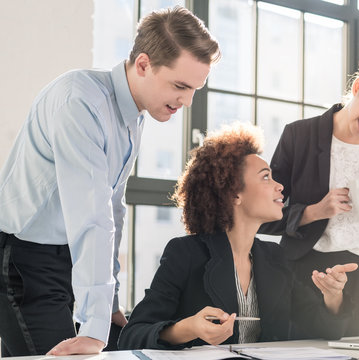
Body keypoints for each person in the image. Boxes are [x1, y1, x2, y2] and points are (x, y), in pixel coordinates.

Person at [0, 6, 220, 357]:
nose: (187, 101)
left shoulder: (135, 113)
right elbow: (91, 214)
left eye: (195, 89)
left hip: (65, 257)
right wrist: (94, 324)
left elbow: (113, 207)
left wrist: (110, 302)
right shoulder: (81, 101)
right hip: (24, 258)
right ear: (144, 65)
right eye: (180, 85)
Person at [117, 124, 358, 350]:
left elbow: (326, 328)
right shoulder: (185, 253)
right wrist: (189, 328)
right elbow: (132, 335)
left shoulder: (275, 257)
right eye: (266, 177)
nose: (279, 186)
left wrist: (332, 295)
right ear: (234, 195)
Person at [260, 48, 359, 336]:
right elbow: (264, 215)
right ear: (357, 87)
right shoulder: (299, 136)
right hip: (305, 272)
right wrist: (314, 212)